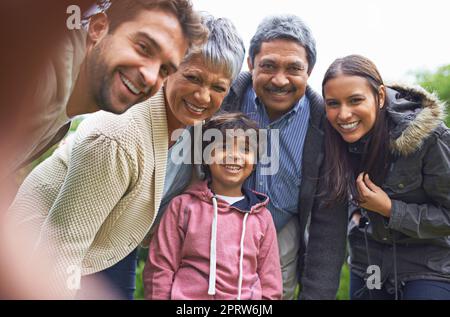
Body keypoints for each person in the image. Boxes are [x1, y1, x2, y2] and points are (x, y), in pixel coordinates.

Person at [6, 13, 245, 299]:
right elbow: (60, 251)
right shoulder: (117, 138)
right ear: (168, 72)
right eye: (192, 77)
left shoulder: (193, 126)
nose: (203, 97)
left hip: (112, 244)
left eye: (218, 87)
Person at [0, 0, 207, 181]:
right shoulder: (39, 75)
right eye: (143, 47)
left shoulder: (62, 112)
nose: (151, 76)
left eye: (164, 70)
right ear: (98, 28)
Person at [220, 14, 348, 299]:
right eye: (268, 66)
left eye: (293, 68)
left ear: (309, 71)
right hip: (212, 235)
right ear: (251, 64)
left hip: (280, 245)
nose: (280, 80)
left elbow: (329, 223)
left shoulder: (325, 126)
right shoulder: (222, 100)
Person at [321, 54, 450, 300]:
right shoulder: (330, 136)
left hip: (428, 267)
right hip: (369, 264)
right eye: (333, 103)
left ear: (380, 96)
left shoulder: (431, 138)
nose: (344, 114)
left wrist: (390, 209)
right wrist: (354, 214)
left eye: (355, 100)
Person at [144, 112, 283, 300]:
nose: (234, 156)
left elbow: (270, 282)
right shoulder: (182, 207)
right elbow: (161, 267)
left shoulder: (262, 217)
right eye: (223, 147)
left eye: (245, 149)